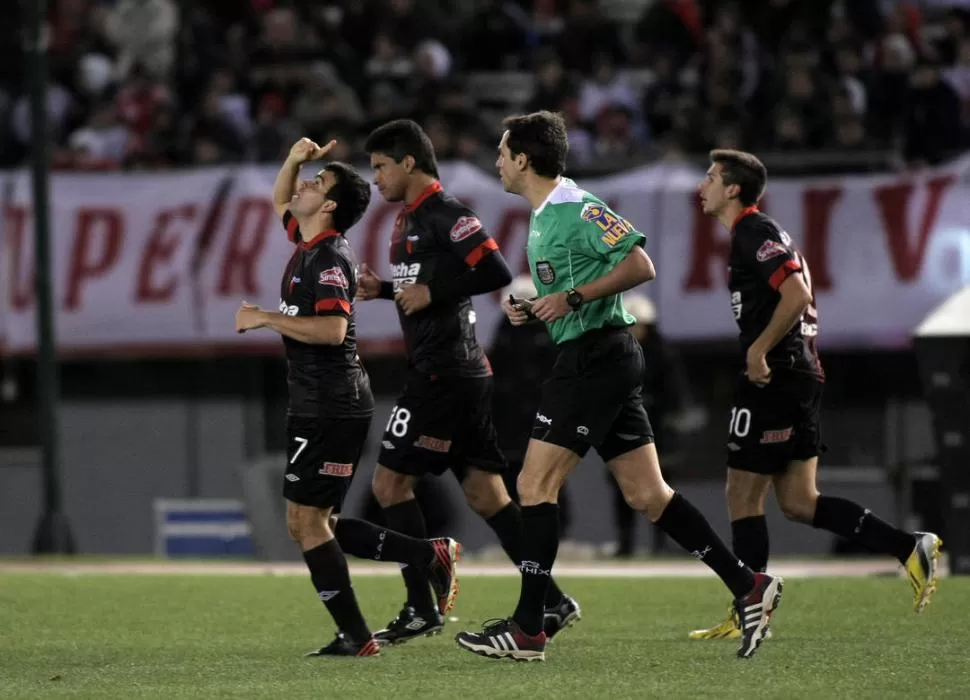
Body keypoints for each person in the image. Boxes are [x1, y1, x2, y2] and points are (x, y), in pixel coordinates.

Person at [455, 111, 782, 662]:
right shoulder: (544, 214)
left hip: (594, 359)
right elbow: (575, 288)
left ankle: (530, 628)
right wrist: (539, 308)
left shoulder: (574, 208)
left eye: (503, 152)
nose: (497, 162)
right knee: (648, 495)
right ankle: (748, 586)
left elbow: (640, 264)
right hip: (597, 353)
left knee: (533, 487)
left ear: (524, 160)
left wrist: (572, 300)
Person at [688, 149, 943, 640]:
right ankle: (909, 548)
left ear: (733, 189)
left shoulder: (753, 231)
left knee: (742, 494)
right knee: (801, 502)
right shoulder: (761, 234)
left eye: (711, 177)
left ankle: (749, 605)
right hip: (802, 375)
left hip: (777, 376)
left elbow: (797, 295)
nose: (702, 185)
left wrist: (758, 351)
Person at [356, 119, 581, 645]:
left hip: (444, 375)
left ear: (409, 162)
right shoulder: (406, 221)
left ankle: (420, 606)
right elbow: (421, 291)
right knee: (488, 498)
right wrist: (386, 289)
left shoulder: (447, 213)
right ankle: (550, 598)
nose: (376, 180)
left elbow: (497, 270)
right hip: (458, 374)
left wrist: (431, 292)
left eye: (381, 167)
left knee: (388, 485)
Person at [235, 137, 459, 658]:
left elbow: (335, 330)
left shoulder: (329, 257)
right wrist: (293, 159)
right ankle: (422, 562)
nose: (305, 185)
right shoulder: (306, 242)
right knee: (315, 523)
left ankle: (362, 629)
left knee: (307, 523)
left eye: (317, 182)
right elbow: (279, 201)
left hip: (332, 403)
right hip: (316, 400)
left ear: (330, 206)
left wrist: (267, 317)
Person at [490, 274, 572, 537]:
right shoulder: (504, 332)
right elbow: (495, 375)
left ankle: (555, 534)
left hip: (542, 418)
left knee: (550, 477)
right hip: (510, 421)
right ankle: (519, 535)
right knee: (513, 475)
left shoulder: (550, 333)